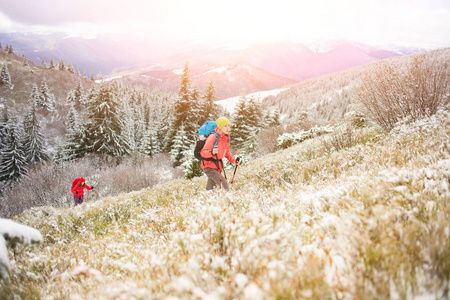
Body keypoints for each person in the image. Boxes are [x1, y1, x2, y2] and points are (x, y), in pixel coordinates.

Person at [200, 117, 240, 191]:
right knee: (223, 184)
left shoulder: (226, 138)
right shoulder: (213, 137)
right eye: (225, 126)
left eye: (228, 126)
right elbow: (203, 152)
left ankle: (207, 200)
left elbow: (227, 153)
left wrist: (234, 161)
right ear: (220, 127)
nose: (227, 128)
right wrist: (212, 152)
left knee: (211, 189)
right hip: (208, 166)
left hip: (217, 166)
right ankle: (227, 200)